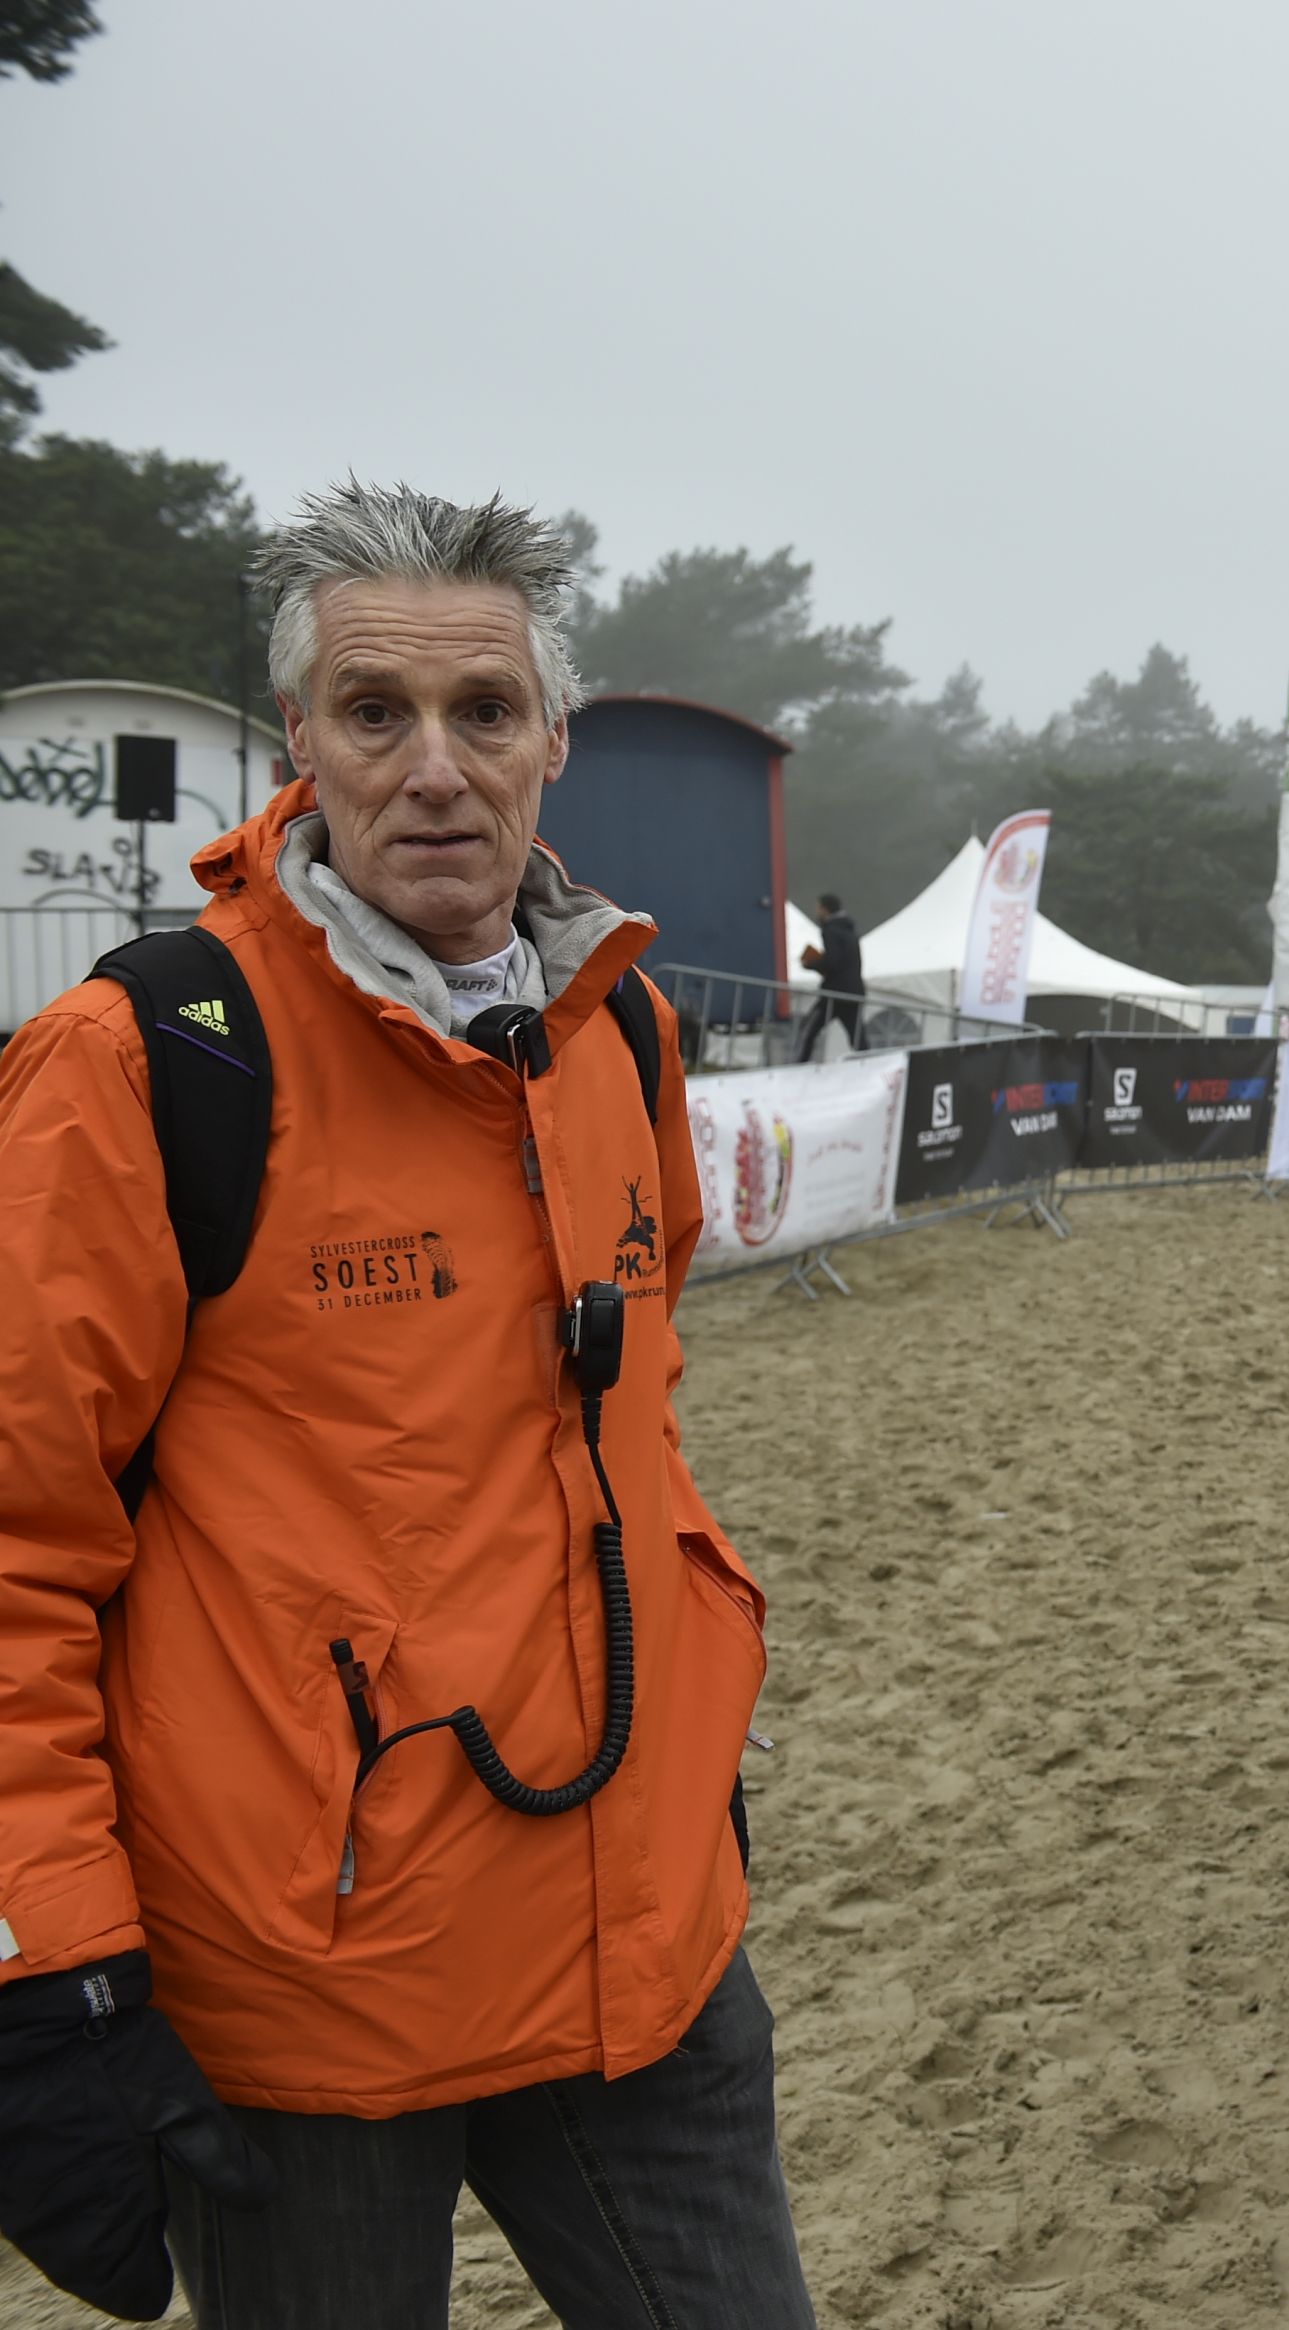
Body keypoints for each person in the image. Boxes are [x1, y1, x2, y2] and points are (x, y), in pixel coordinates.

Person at [0, 485, 806, 2325]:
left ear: (552, 741)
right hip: (310, 2004)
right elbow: (17, 1543)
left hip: (642, 1939)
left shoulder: (621, 1026)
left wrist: (694, 1734)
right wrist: (51, 1970)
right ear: (301, 738)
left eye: (484, 711)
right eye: (377, 713)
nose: (435, 768)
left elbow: (634, 1423)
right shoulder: (141, 1060)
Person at [795, 890, 863, 1060]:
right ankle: (871, 1065)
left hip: (834, 992)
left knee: (808, 1030)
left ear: (825, 909)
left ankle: (798, 1066)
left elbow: (833, 961)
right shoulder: (849, 930)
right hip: (854, 991)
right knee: (858, 1038)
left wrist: (811, 964)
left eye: (818, 908)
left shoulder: (831, 930)